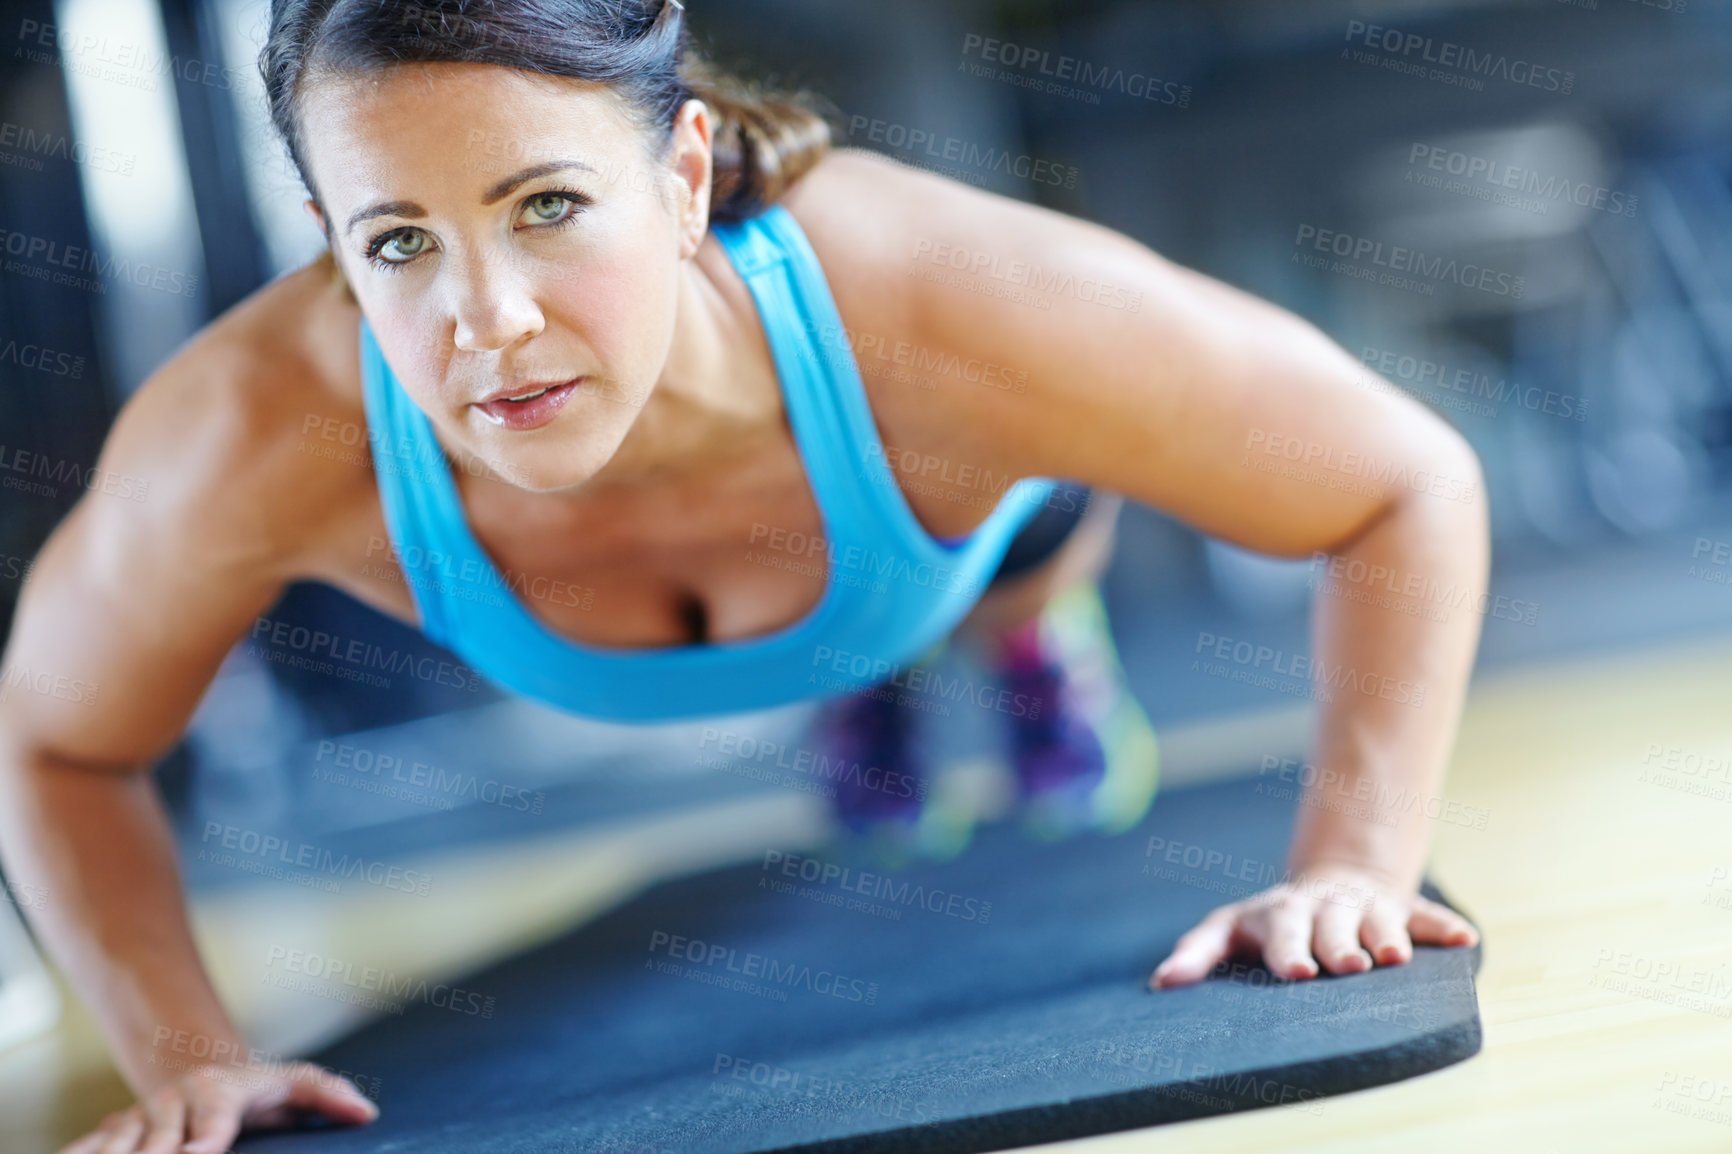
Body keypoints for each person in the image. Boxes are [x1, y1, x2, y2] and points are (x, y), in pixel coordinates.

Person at [0, 0, 1481, 1150]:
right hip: (775, 540)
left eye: (548, 206)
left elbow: (1406, 482)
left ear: (688, 173)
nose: (489, 321)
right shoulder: (252, 434)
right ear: (329, 244)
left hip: (942, 525)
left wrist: (1353, 856)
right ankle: (879, 678)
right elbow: (57, 737)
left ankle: (1023, 644)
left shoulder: (954, 303)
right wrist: (187, 1058)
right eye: (401, 241)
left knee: (1011, 535)